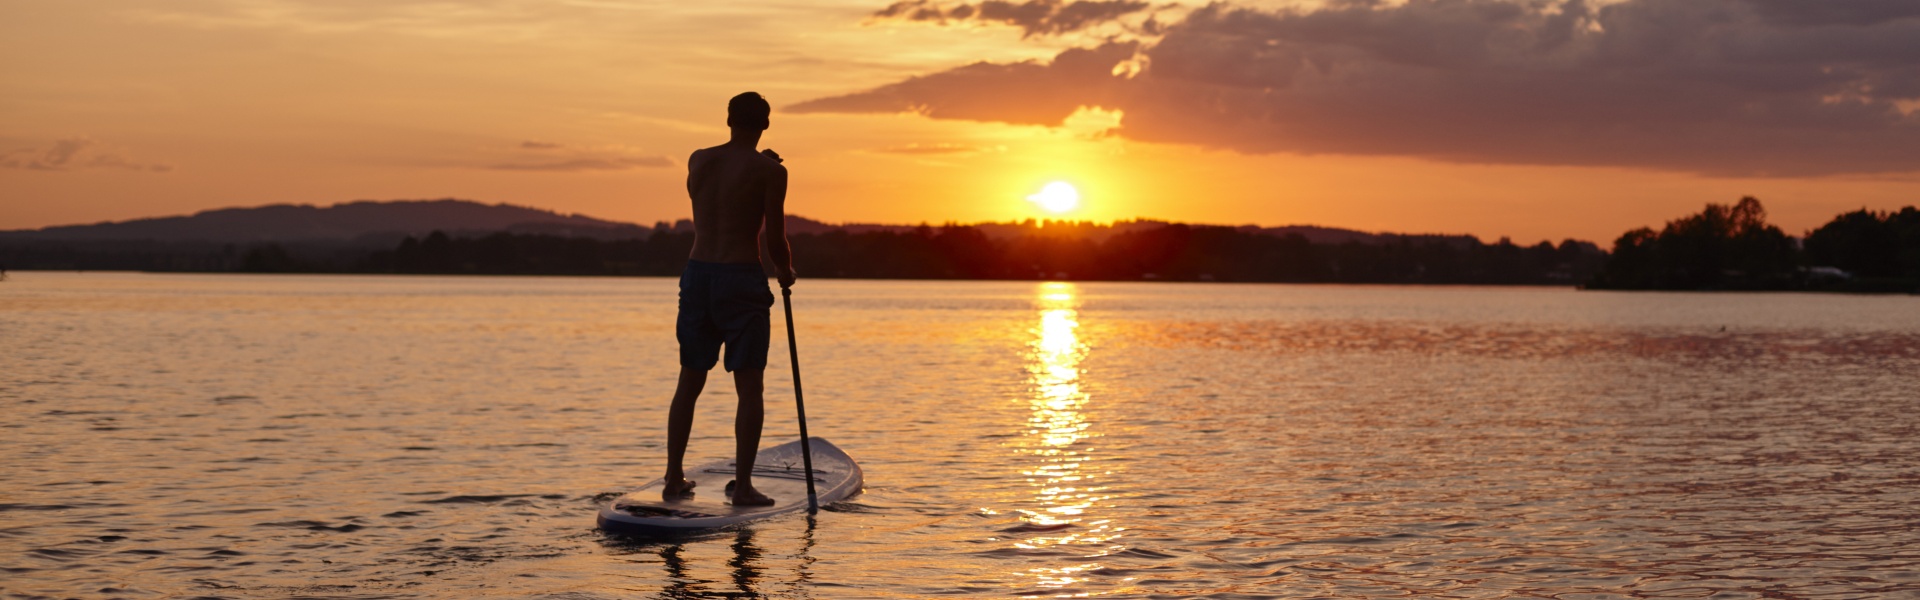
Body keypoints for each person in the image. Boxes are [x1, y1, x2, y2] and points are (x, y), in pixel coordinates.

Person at [661, 91, 796, 506]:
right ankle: (744, 486)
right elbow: (774, 237)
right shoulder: (771, 173)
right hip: (741, 279)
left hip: (698, 273)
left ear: (728, 120)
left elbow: (717, 191)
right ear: (766, 125)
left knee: (690, 379)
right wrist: (786, 272)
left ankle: (672, 478)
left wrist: (760, 165)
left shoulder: (698, 159)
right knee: (749, 386)